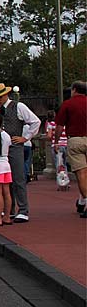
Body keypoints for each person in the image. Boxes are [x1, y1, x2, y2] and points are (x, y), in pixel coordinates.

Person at [0, 83, 40, 223]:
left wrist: (25, 138)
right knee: (4, 180)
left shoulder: (18, 107)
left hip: (14, 145)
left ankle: (22, 210)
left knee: (18, 177)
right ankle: (9, 210)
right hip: (1, 147)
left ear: (5, 94)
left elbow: (35, 122)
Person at [54, 80, 87, 218]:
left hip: (75, 139)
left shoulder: (68, 104)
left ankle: (85, 200)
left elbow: (60, 126)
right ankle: (81, 200)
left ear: (74, 89)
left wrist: (56, 142)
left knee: (81, 173)